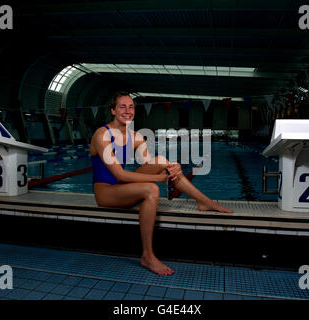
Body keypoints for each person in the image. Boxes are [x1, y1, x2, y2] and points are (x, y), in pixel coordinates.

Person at [89, 92, 232, 276]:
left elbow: (150, 163)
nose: (127, 111)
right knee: (151, 189)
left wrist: (172, 167)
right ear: (113, 110)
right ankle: (147, 256)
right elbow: (120, 174)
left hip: (121, 189)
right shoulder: (103, 135)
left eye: (131, 106)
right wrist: (159, 178)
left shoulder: (136, 137)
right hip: (106, 193)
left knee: (163, 161)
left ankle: (205, 202)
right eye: (122, 107)